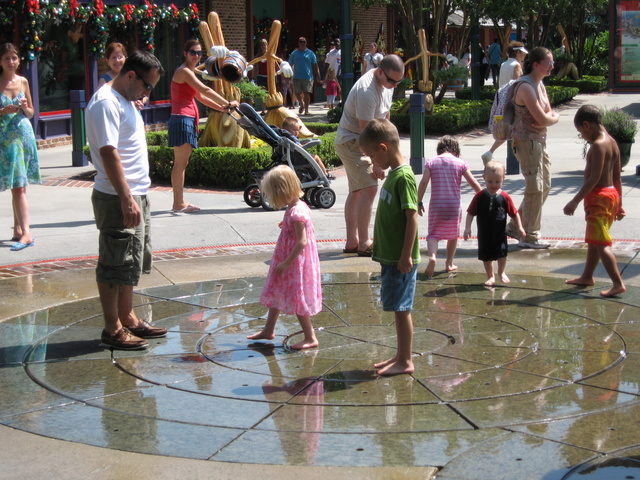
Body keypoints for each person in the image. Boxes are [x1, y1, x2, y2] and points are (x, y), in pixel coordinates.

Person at [85, 50, 168, 350]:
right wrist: (125, 199)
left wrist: (136, 197)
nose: (148, 93)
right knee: (114, 262)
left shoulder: (123, 99)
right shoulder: (105, 103)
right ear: (131, 75)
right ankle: (112, 329)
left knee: (131, 261)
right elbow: (109, 153)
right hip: (117, 196)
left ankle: (128, 318)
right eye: (147, 86)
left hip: (135, 193)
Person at [359, 118, 420, 376]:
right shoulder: (395, 175)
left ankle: (406, 361)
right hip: (392, 256)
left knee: (402, 308)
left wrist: (406, 255)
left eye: (372, 156)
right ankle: (399, 355)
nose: (373, 162)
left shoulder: (403, 177)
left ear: (383, 148)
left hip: (400, 259)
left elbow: (412, 217)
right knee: (397, 307)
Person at [335, 54, 404, 257]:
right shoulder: (367, 91)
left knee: (357, 191)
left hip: (365, 139)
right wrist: (376, 163)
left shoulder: (387, 86)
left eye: (397, 82)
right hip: (352, 141)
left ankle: (352, 242)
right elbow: (367, 136)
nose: (393, 85)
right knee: (369, 187)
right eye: (391, 81)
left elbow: (385, 120)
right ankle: (364, 242)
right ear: (380, 71)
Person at [246, 165, 321, 350]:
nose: (271, 200)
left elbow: (302, 241)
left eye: (272, 195)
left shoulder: (296, 213)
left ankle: (310, 337)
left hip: (294, 262)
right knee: (277, 290)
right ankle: (268, 330)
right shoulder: (296, 207)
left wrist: (287, 262)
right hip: (287, 259)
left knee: (298, 297)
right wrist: (286, 224)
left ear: (282, 191)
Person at [169, 39, 239, 213]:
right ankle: (178, 203)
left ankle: (179, 202)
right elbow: (206, 90)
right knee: (180, 163)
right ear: (185, 53)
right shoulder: (184, 71)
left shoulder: (190, 72)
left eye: (199, 53)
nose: (196, 56)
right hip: (181, 119)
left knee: (182, 162)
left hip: (187, 119)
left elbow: (200, 97)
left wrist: (223, 108)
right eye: (193, 52)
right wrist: (228, 102)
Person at [563, 105, 626, 298]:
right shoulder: (613, 143)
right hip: (610, 195)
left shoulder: (598, 145)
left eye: (580, 132)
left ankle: (617, 283)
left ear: (586, 124)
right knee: (594, 240)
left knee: (601, 243)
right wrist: (620, 203)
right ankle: (587, 276)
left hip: (599, 198)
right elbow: (617, 177)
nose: (582, 136)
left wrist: (574, 201)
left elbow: (593, 178)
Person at [505, 47, 560, 249]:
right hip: (527, 142)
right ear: (536, 64)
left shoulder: (540, 85)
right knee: (535, 188)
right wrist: (550, 119)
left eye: (552, 63)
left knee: (544, 187)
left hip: (539, 141)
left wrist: (552, 118)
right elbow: (543, 117)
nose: (552, 67)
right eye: (548, 63)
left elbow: (549, 114)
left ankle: (514, 226)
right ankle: (530, 235)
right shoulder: (526, 87)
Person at [417, 136, 482, 277]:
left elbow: (423, 183)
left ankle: (432, 257)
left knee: (433, 234)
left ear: (439, 150)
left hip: (437, 205)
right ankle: (449, 264)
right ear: (456, 150)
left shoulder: (431, 162)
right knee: (453, 235)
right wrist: (484, 197)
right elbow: (474, 183)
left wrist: (419, 202)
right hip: (453, 205)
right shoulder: (460, 163)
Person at [0, 43, 40, 251]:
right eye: (7, 58)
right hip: (5, 138)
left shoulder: (23, 81)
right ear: (1, 61)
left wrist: (25, 108)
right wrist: (2, 111)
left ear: (19, 60)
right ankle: (18, 229)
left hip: (23, 136)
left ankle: (27, 233)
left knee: (19, 186)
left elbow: (32, 113)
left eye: (14, 58)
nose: (11, 62)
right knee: (16, 185)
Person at [464, 161, 526, 286]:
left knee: (502, 253)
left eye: (497, 182)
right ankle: (490, 276)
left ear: (503, 179)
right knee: (486, 256)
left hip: (499, 233)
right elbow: (471, 212)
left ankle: (501, 272)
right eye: (490, 182)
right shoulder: (480, 196)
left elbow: (514, 213)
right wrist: (467, 228)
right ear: (484, 178)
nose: (493, 185)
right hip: (484, 233)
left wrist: (520, 227)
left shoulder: (505, 197)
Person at [481, 41, 528, 165]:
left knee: (504, 129)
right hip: (512, 102)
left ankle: (490, 152)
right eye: (522, 53)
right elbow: (517, 85)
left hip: (500, 101)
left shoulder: (504, 64)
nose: (524, 55)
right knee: (515, 130)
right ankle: (515, 157)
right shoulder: (516, 65)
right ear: (517, 52)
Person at [98, 42, 147, 111]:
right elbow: (101, 101)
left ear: (125, 59)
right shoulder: (104, 80)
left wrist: (140, 102)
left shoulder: (132, 75)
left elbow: (145, 94)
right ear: (107, 61)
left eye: (120, 57)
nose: (117, 60)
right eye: (113, 58)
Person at [289, 37, 321, 116]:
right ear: (298, 43)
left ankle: (306, 110)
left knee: (306, 93)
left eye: (304, 42)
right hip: (296, 76)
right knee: (297, 93)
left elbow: (315, 65)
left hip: (308, 76)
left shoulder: (310, 53)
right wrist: (287, 75)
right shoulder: (294, 53)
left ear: (306, 43)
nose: (302, 43)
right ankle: (301, 104)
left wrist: (318, 74)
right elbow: (290, 65)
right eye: (301, 42)